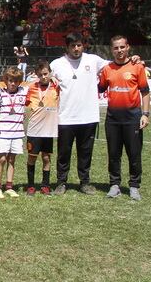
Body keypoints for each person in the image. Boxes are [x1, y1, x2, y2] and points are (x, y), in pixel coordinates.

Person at [49, 32, 140, 195]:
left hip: (88, 117)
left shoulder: (94, 60)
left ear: (83, 45)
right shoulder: (56, 64)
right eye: (72, 46)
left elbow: (119, 62)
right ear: (67, 47)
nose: (76, 49)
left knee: (85, 153)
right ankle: (61, 182)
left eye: (79, 45)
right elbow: (43, 77)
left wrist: (135, 59)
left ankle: (85, 183)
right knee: (64, 153)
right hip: (65, 117)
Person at [98, 35, 150, 201]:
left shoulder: (137, 67)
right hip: (113, 118)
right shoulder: (107, 69)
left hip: (133, 117)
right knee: (114, 153)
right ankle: (114, 185)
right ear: (111, 50)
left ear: (128, 47)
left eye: (122, 47)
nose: (119, 51)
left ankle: (134, 186)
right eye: (116, 48)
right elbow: (99, 88)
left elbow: (145, 92)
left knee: (134, 153)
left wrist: (145, 114)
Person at [25, 61, 59, 196]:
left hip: (49, 130)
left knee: (46, 158)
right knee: (32, 158)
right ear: (37, 75)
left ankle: (45, 185)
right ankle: (31, 186)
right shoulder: (31, 88)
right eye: (40, 75)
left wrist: (57, 79)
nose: (44, 77)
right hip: (34, 130)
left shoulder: (56, 87)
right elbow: (23, 102)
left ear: (50, 73)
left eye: (45, 74)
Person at [0, 67, 27, 199]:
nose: (13, 83)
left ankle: (9, 186)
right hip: (3, 132)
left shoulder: (23, 92)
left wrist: (52, 77)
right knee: (2, 159)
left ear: (19, 82)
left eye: (16, 81)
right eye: (10, 80)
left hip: (17, 133)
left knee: (12, 160)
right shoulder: (0, 93)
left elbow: (36, 81)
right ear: (6, 81)